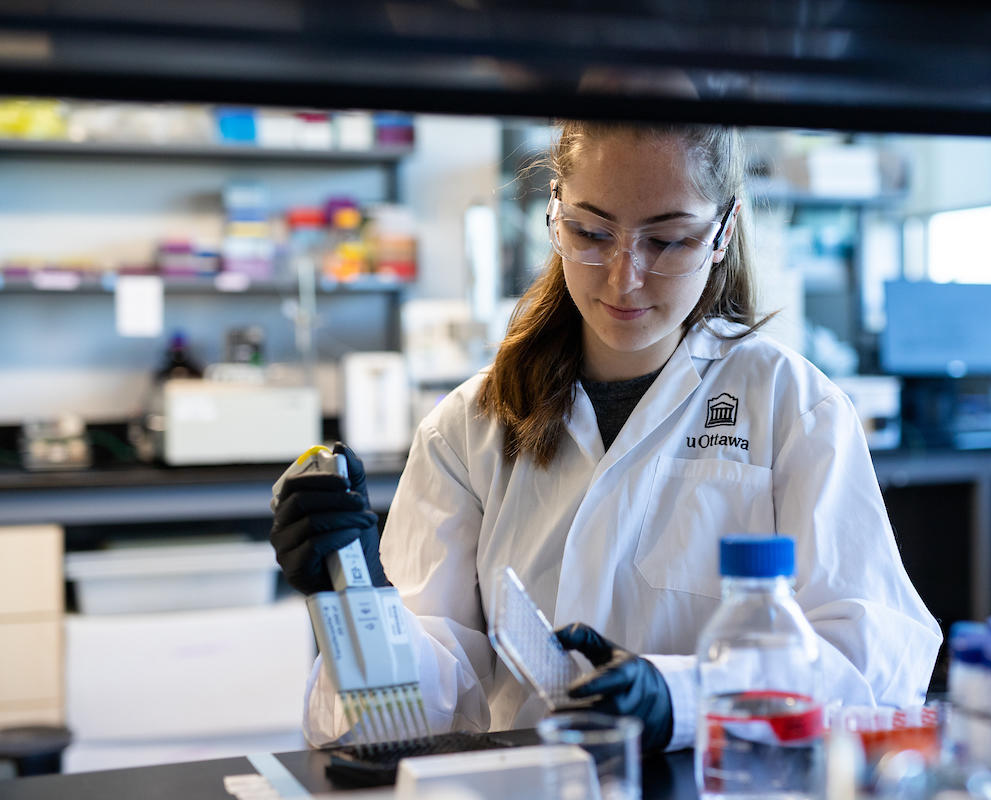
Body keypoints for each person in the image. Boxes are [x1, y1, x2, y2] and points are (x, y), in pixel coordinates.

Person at [270, 119, 942, 754]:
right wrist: (351, 601)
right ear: (555, 212)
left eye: (668, 240)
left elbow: (875, 676)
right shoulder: (468, 427)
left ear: (724, 231)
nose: (626, 277)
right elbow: (399, 723)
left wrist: (681, 700)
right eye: (592, 233)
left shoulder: (793, 408)